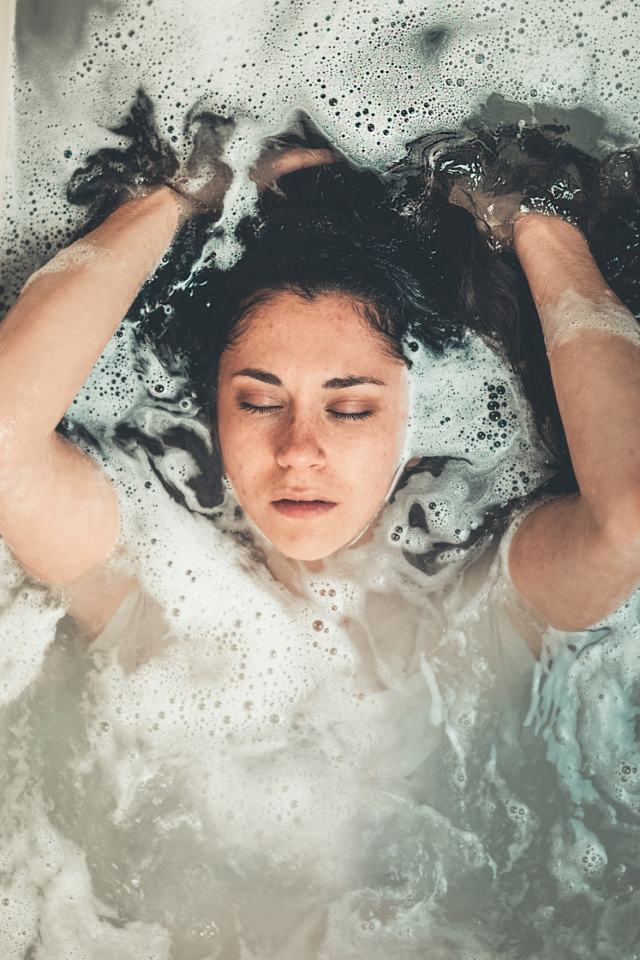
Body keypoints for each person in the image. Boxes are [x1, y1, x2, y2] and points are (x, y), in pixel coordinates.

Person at [0, 134, 639, 660]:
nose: (299, 453)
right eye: (258, 402)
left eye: (351, 409)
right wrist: (176, 192)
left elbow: (626, 520)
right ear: (212, 412)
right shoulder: (153, 579)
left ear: (423, 426)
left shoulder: (472, 605)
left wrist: (535, 224)